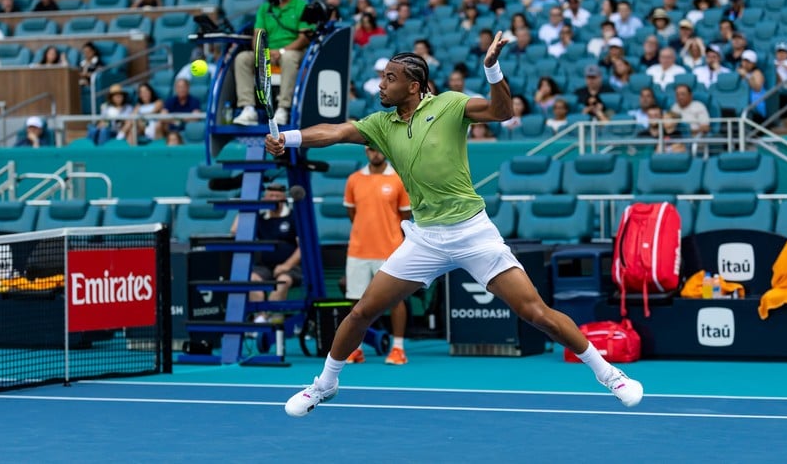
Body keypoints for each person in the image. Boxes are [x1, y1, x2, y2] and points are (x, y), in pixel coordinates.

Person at [266, 35, 644, 417]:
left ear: (413, 86)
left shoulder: (449, 105)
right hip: (425, 238)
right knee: (362, 311)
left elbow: (500, 111)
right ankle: (325, 385)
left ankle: (609, 375)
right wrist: (289, 138)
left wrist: (491, 68)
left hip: (472, 232)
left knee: (536, 313)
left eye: (390, 78)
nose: (381, 85)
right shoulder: (381, 124)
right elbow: (336, 132)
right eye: (382, 78)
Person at [343, 146, 412, 365]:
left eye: (378, 150)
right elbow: (353, 213)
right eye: (371, 150)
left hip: (390, 251)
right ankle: (356, 349)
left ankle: (398, 349)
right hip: (358, 250)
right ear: (366, 152)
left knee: (395, 300)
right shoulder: (353, 179)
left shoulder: (397, 179)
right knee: (355, 301)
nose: (375, 153)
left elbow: (405, 216)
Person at [233, 0, 312, 126]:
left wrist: (282, 51)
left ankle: (283, 108)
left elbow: (305, 38)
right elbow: (257, 35)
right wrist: (264, 53)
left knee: (289, 58)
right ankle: (248, 109)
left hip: (293, 52)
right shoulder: (265, 8)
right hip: (267, 53)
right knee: (242, 58)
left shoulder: (303, 6)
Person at [229, 183, 302, 320]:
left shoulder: (293, 218)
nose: (274, 199)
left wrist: (286, 266)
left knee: (282, 281)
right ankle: (261, 318)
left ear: (284, 199)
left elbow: (302, 248)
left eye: (277, 196)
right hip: (264, 267)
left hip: (291, 268)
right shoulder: (261, 218)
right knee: (251, 279)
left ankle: (270, 317)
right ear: (264, 199)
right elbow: (234, 231)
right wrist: (248, 208)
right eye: (270, 196)